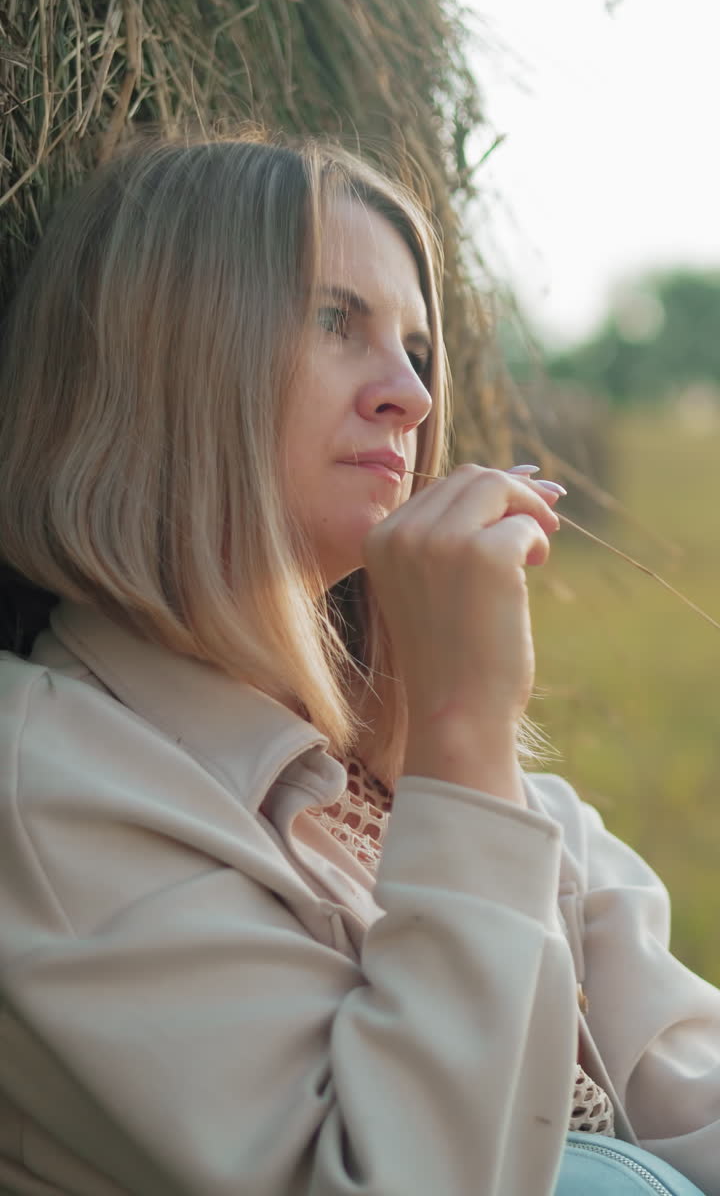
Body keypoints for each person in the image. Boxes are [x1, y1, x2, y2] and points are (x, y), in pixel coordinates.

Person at [0, 132, 717, 1196]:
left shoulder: (454, 785)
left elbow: (689, 1084)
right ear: (159, 362)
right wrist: (466, 721)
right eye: (336, 321)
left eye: (418, 347)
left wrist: (461, 746)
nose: (413, 397)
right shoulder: (45, 786)